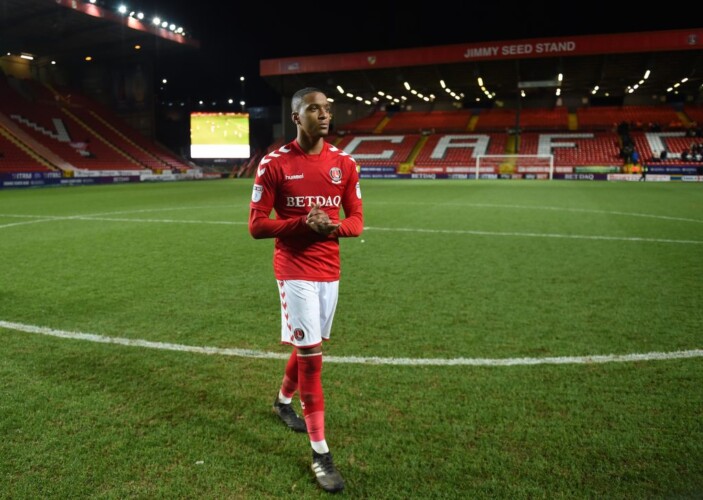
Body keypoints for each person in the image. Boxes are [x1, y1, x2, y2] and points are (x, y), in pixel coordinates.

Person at [248, 87, 364, 493]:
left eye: (327, 108)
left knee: (307, 347)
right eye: (314, 109)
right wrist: (301, 224)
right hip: (293, 269)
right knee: (312, 358)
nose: (324, 114)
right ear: (296, 117)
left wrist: (332, 228)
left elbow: (357, 221)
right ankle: (321, 454)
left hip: (329, 270)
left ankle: (282, 402)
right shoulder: (274, 164)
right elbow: (257, 225)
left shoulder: (345, 164)